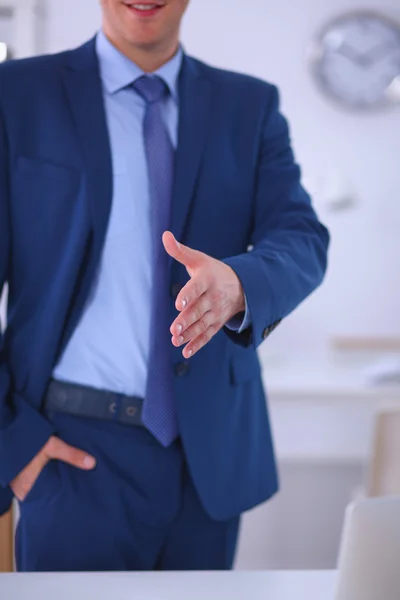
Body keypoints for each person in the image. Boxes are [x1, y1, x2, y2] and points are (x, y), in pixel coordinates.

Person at [0, 0, 329, 572]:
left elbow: (301, 237)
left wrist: (239, 282)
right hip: (67, 452)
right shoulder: (16, 95)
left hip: (208, 463)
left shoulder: (248, 106)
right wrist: (14, 444)